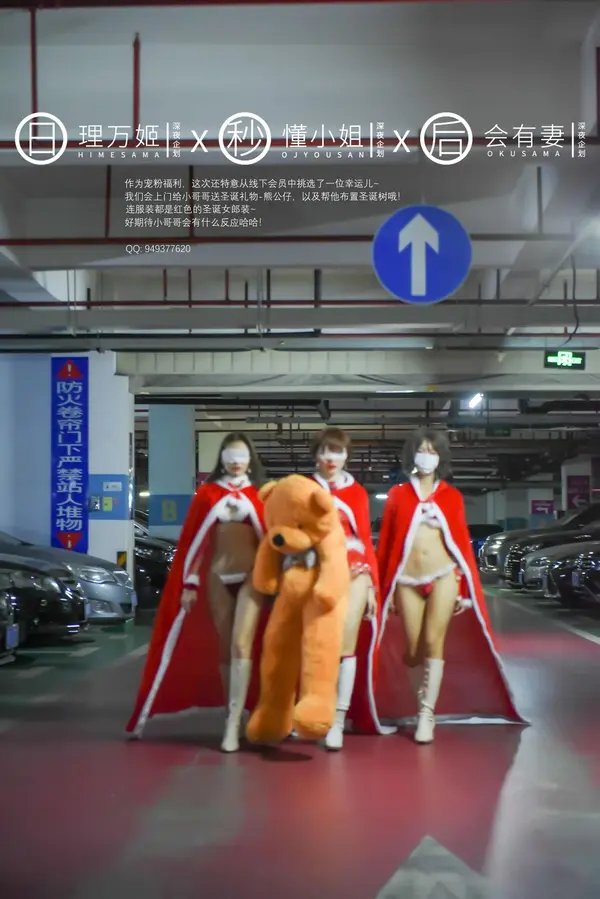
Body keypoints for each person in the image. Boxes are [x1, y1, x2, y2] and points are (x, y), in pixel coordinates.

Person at [376, 428, 525, 743]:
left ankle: (426, 712)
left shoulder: (451, 497)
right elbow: (386, 544)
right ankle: (420, 702)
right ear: (412, 455)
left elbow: (460, 547)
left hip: (443, 575)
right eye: (421, 450)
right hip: (406, 581)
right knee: (413, 649)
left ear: (440, 457)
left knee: (434, 641)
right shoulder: (398, 495)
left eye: (432, 451)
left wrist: (463, 588)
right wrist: (381, 590)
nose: (426, 456)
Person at [126, 432, 268, 753]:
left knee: (242, 643)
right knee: (225, 648)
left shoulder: (259, 496)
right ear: (222, 458)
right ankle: (231, 714)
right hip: (217, 577)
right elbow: (194, 541)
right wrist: (189, 583)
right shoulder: (207, 494)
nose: (235, 461)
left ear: (250, 459)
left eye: (242, 454)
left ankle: (235, 722)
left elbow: (270, 539)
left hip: (251, 578)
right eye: (230, 454)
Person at [311, 426, 395, 749]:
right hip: (314, 569)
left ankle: (337, 720)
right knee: (315, 645)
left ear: (346, 456)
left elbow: (364, 540)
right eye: (325, 450)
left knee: (346, 643)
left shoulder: (357, 492)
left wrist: (372, 586)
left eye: (338, 451)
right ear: (316, 455)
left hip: (354, 569)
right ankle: (312, 713)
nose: (331, 458)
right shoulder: (304, 488)